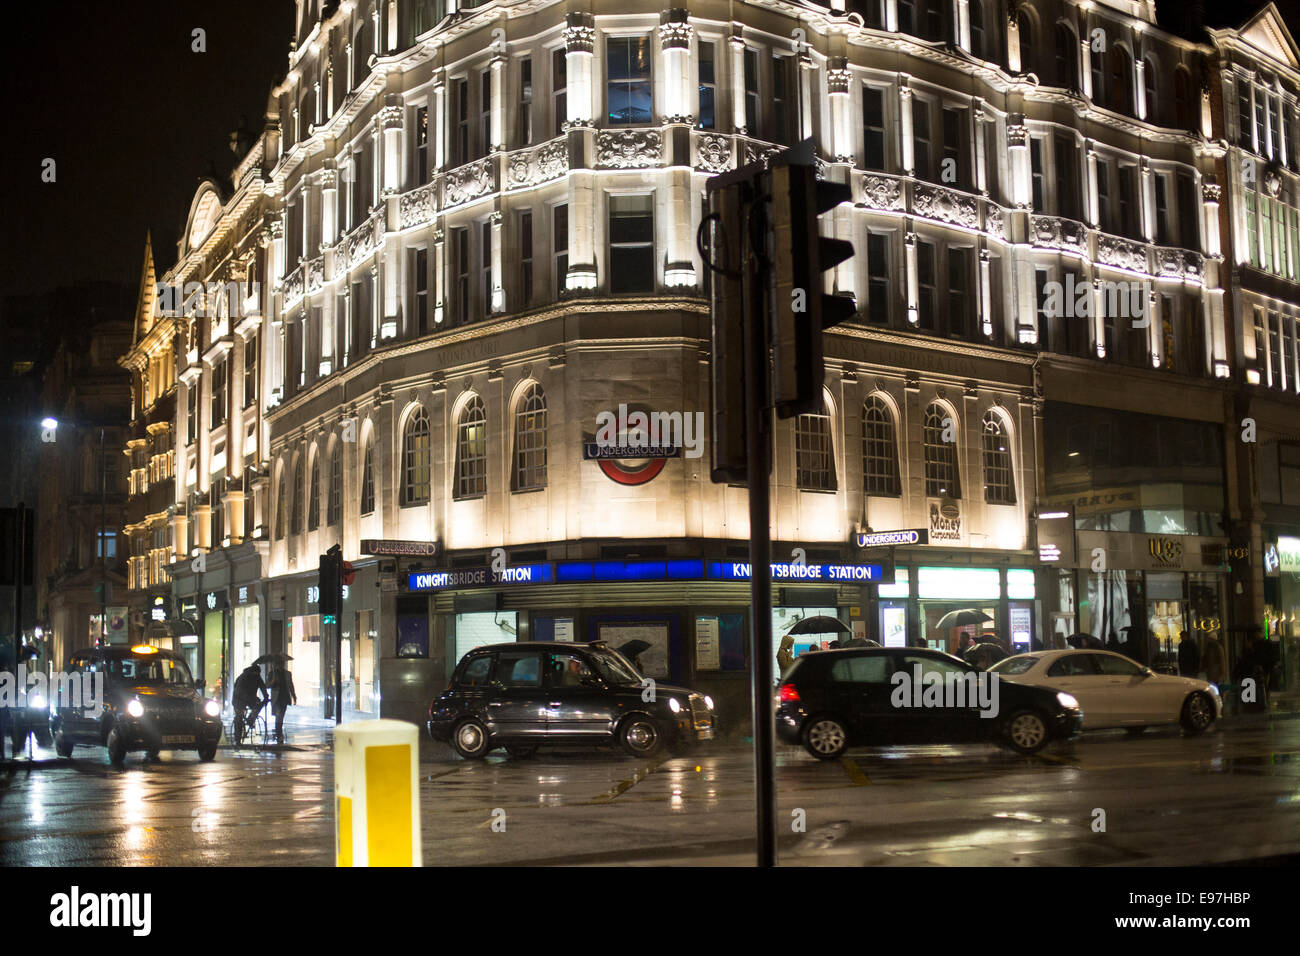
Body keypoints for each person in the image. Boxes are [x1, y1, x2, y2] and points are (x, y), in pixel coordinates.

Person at [231, 663, 268, 738]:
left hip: (249, 697)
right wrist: (251, 698)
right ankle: (237, 738)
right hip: (238, 699)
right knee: (239, 717)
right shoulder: (243, 677)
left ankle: (251, 719)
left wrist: (266, 697)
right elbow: (239, 691)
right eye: (256, 673)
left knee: (258, 705)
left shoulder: (257, 676)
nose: (257, 675)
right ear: (252, 672)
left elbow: (262, 686)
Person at [268, 663, 297, 745]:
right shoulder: (272, 673)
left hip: (284, 697)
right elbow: (267, 685)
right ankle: (279, 734)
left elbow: (291, 685)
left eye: (281, 663)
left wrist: (294, 696)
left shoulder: (288, 674)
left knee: (281, 717)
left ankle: (278, 733)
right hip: (276, 698)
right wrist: (273, 682)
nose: (280, 665)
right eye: (279, 663)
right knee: (279, 716)